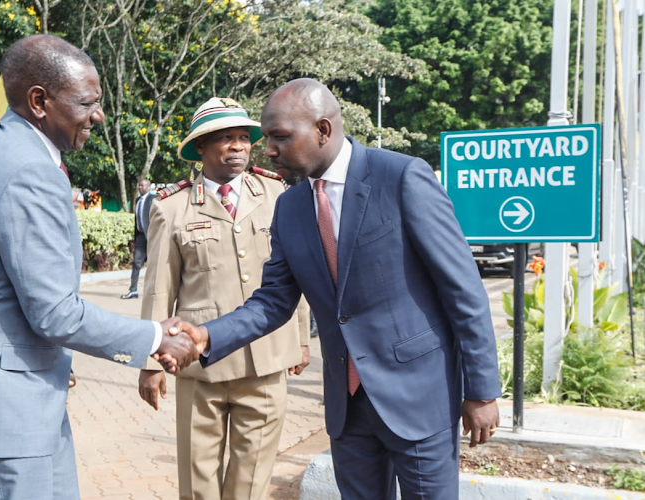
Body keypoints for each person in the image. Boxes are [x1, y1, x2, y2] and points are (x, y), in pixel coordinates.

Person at [170, 79, 502, 499]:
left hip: (419, 398)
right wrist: (206, 335)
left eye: (280, 137)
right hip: (349, 409)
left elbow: (463, 290)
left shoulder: (401, 178)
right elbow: (273, 301)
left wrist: (482, 390)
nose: (268, 150)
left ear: (323, 130)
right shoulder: (289, 207)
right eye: (268, 138)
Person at [0, 34, 199, 500]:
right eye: (87, 103)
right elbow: (55, 313)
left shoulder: (13, 150)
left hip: (20, 393)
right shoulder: (26, 170)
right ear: (39, 101)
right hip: (2, 404)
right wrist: (157, 337)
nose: (98, 116)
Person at [139, 97, 311, 500]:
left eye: (243, 138)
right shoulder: (172, 207)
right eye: (225, 139)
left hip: (265, 359)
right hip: (200, 368)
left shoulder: (277, 195)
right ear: (200, 148)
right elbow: (159, 288)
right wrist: (151, 362)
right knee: (199, 481)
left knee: (251, 482)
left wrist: (301, 338)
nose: (238, 146)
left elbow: (296, 274)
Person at [121, 178, 155, 299]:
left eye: (142, 185)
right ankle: (133, 290)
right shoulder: (138, 200)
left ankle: (155, 292)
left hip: (151, 237)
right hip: (140, 236)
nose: (139, 187)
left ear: (148, 187)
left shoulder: (153, 199)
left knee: (154, 264)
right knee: (136, 263)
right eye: (139, 186)